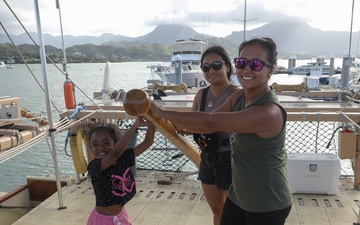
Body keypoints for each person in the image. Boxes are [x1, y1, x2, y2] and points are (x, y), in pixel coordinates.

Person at [150, 37, 292, 225]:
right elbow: (205, 123)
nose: (246, 69)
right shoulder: (240, 96)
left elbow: (211, 121)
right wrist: (158, 119)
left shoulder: (269, 112)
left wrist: (161, 111)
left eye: (256, 64)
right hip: (239, 195)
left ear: (270, 70)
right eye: (242, 62)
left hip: (267, 201)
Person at [192, 45, 239, 225]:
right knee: (216, 209)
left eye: (217, 65)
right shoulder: (201, 95)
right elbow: (192, 123)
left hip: (230, 158)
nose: (211, 70)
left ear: (227, 66)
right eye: (206, 67)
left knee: (232, 211)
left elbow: (206, 122)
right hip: (207, 156)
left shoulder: (236, 94)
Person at [86, 117, 155, 225]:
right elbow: (115, 153)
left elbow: (147, 142)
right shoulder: (94, 166)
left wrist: (152, 123)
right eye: (95, 144)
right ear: (90, 147)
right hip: (102, 221)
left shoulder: (122, 159)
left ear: (115, 143)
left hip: (120, 217)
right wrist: (134, 126)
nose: (100, 148)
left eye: (106, 143)